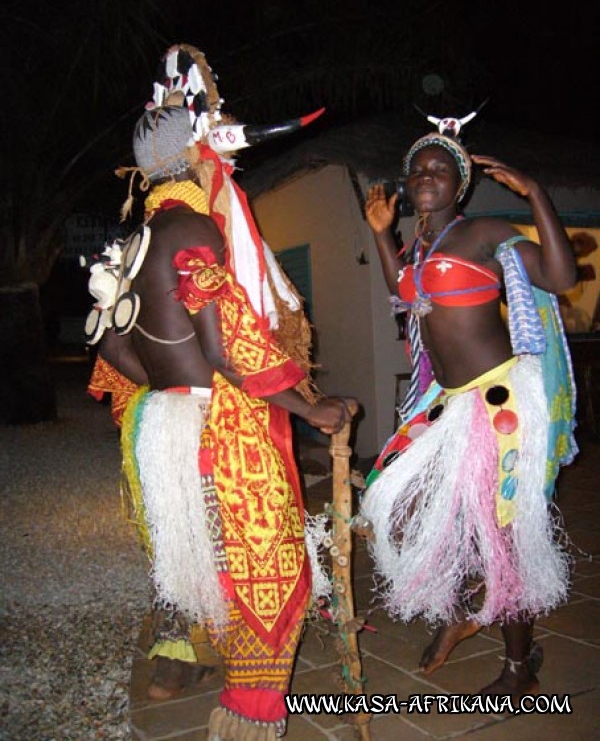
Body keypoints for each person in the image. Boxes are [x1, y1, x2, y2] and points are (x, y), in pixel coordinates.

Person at [91, 98, 350, 740]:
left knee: (203, 566)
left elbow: (114, 351)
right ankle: (247, 718)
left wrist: (173, 387)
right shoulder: (193, 229)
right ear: (198, 158)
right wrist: (307, 405)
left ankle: (203, 671)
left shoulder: (134, 243)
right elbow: (227, 345)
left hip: (160, 429)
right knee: (267, 568)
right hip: (212, 435)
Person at [359, 129, 578, 699]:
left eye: (438, 169)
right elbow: (403, 290)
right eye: (417, 171)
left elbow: (561, 277)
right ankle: (463, 610)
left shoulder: (484, 233)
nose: (424, 178)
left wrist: (535, 193)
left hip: (499, 401)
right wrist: (382, 235)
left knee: (503, 537)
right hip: (451, 404)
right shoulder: (420, 245)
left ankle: (519, 667)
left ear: (462, 183)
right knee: (397, 502)